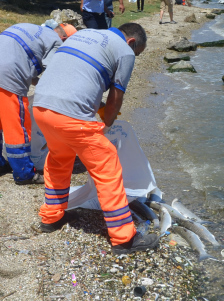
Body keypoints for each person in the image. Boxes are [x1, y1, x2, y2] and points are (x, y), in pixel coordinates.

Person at [32, 23, 159, 255]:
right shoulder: (124, 50)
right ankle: (124, 238)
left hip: (41, 106)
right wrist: (106, 126)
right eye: (137, 54)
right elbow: (115, 99)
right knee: (107, 166)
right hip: (71, 114)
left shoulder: (83, 35)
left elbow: (74, 77)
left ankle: (51, 218)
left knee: (59, 158)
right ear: (131, 42)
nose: (134, 58)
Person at [0, 22, 74, 185]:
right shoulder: (56, 42)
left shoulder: (30, 28)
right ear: (63, 38)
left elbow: (25, 63)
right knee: (17, 127)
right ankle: (24, 173)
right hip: (7, 75)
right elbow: (53, 73)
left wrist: (38, 83)